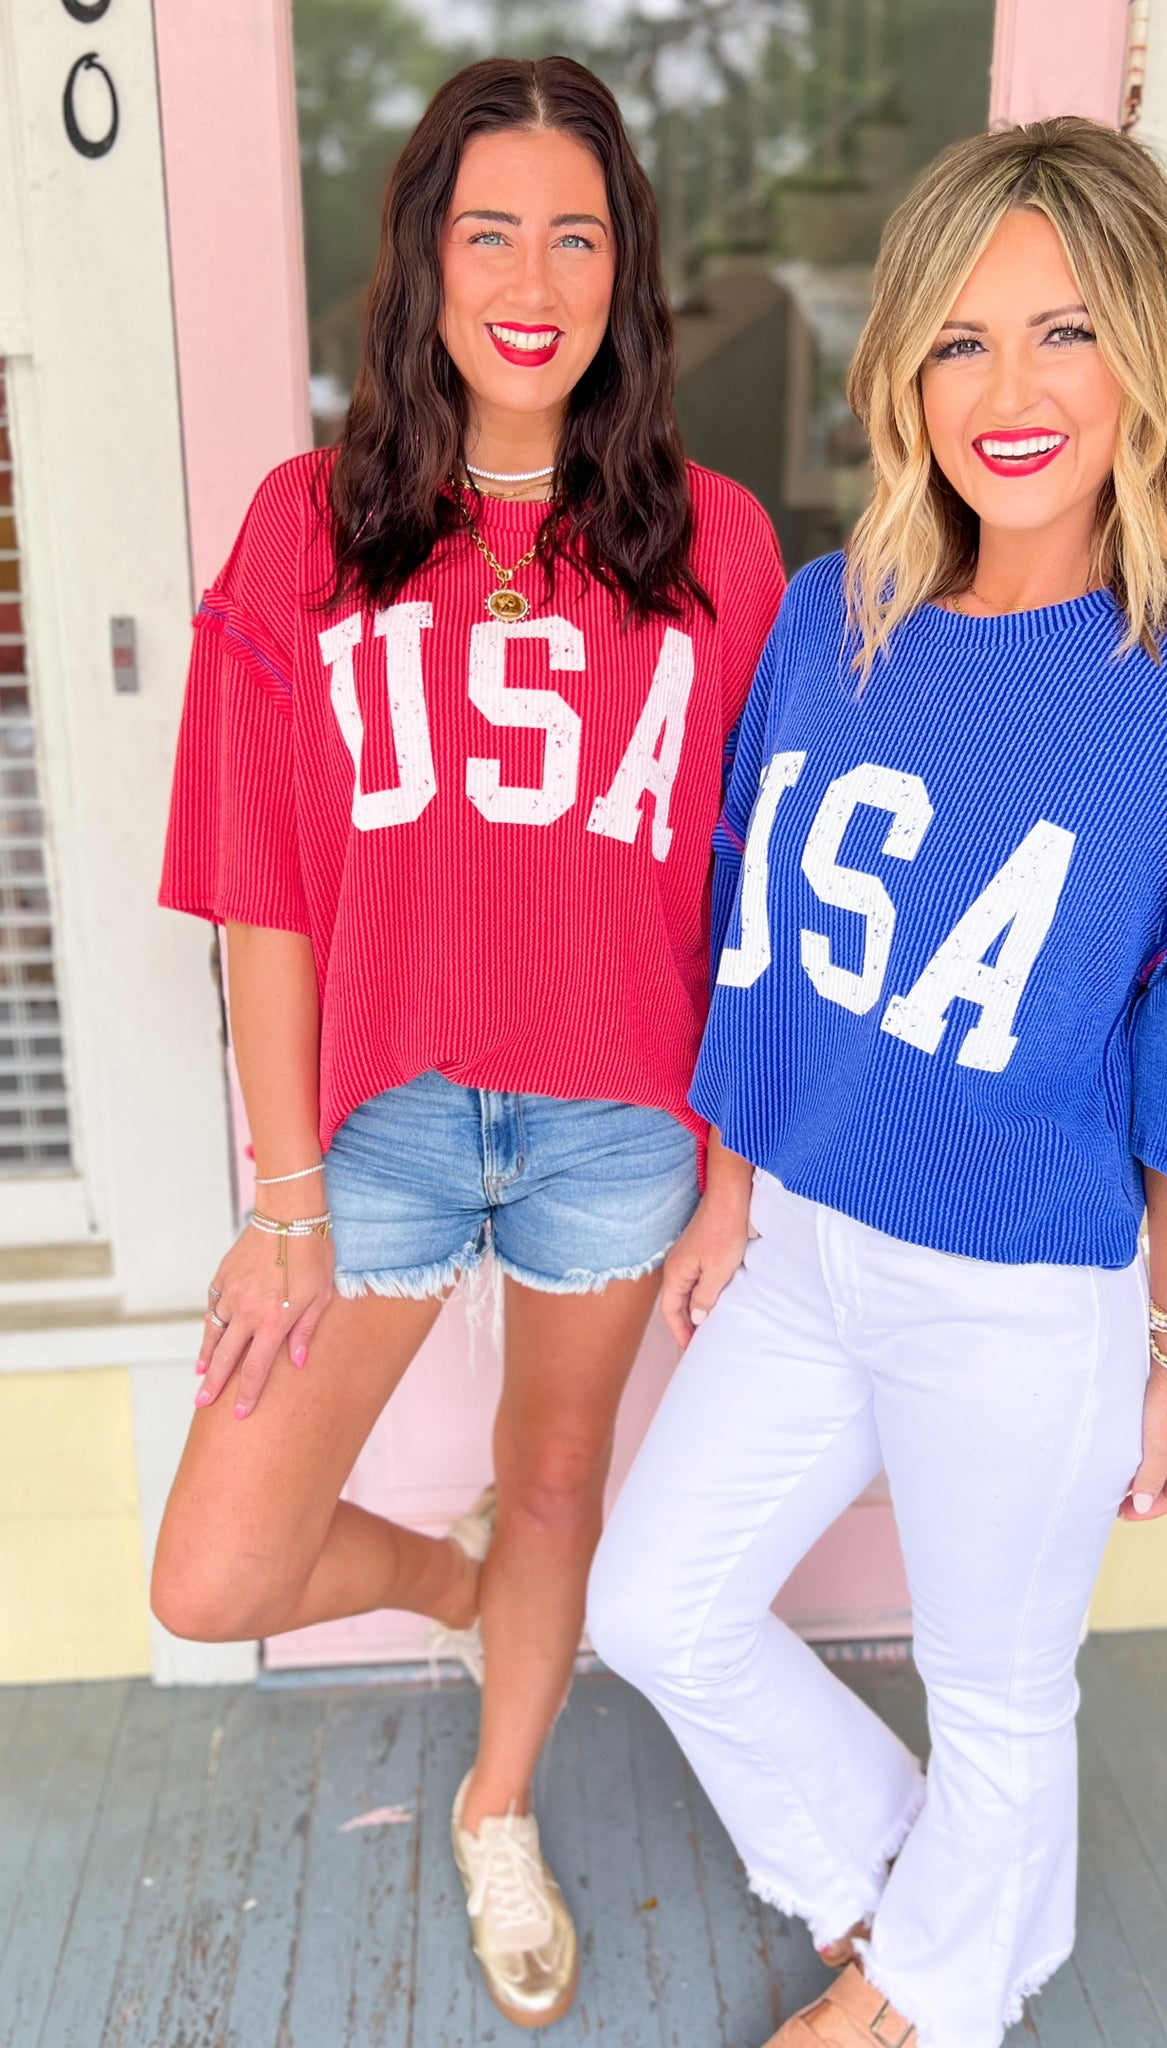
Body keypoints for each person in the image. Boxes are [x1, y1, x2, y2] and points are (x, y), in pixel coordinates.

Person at [587, 116, 1167, 2048]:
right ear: (903, 374)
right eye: (960, 342)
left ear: (1148, 351)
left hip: (1018, 1291)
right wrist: (732, 1192)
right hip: (805, 1244)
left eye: (1066, 332)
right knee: (654, 1607)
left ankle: (926, 1992)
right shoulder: (836, 617)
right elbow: (752, 926)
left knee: (1000, 1690)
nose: (1010, 393)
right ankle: (915, 1894)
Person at [152, 55, 782, 2030]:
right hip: (387, 1129)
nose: (530, 278)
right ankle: (460, 1590)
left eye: (575, 236)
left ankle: (496, 1802)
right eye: (487, 230)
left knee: (563, 1477)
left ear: (626, 273)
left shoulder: (718, 545)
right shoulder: (309, 526)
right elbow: (260, 884)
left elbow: (752, 899)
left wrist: (731, 1181)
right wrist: (282, 1201)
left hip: (617, 1127)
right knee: (214, 1577)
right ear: (421, 259)